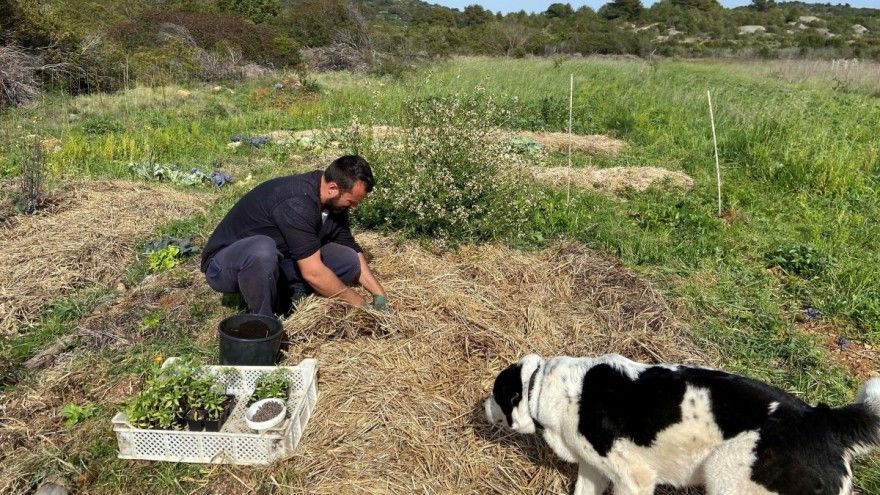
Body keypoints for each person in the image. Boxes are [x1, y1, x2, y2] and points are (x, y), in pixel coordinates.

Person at [200, 155, 387, 316]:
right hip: (224, 265)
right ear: (332, 188)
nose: (354, 207)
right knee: (262, 249)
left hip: (278, 259)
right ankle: (262, 321)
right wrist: (360, 304)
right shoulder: (296, 201)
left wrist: (379, 294)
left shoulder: (333, 204)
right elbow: (312, 272)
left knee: (348, 259)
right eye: (351, 201)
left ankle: (286, 294)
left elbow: (351, 247)